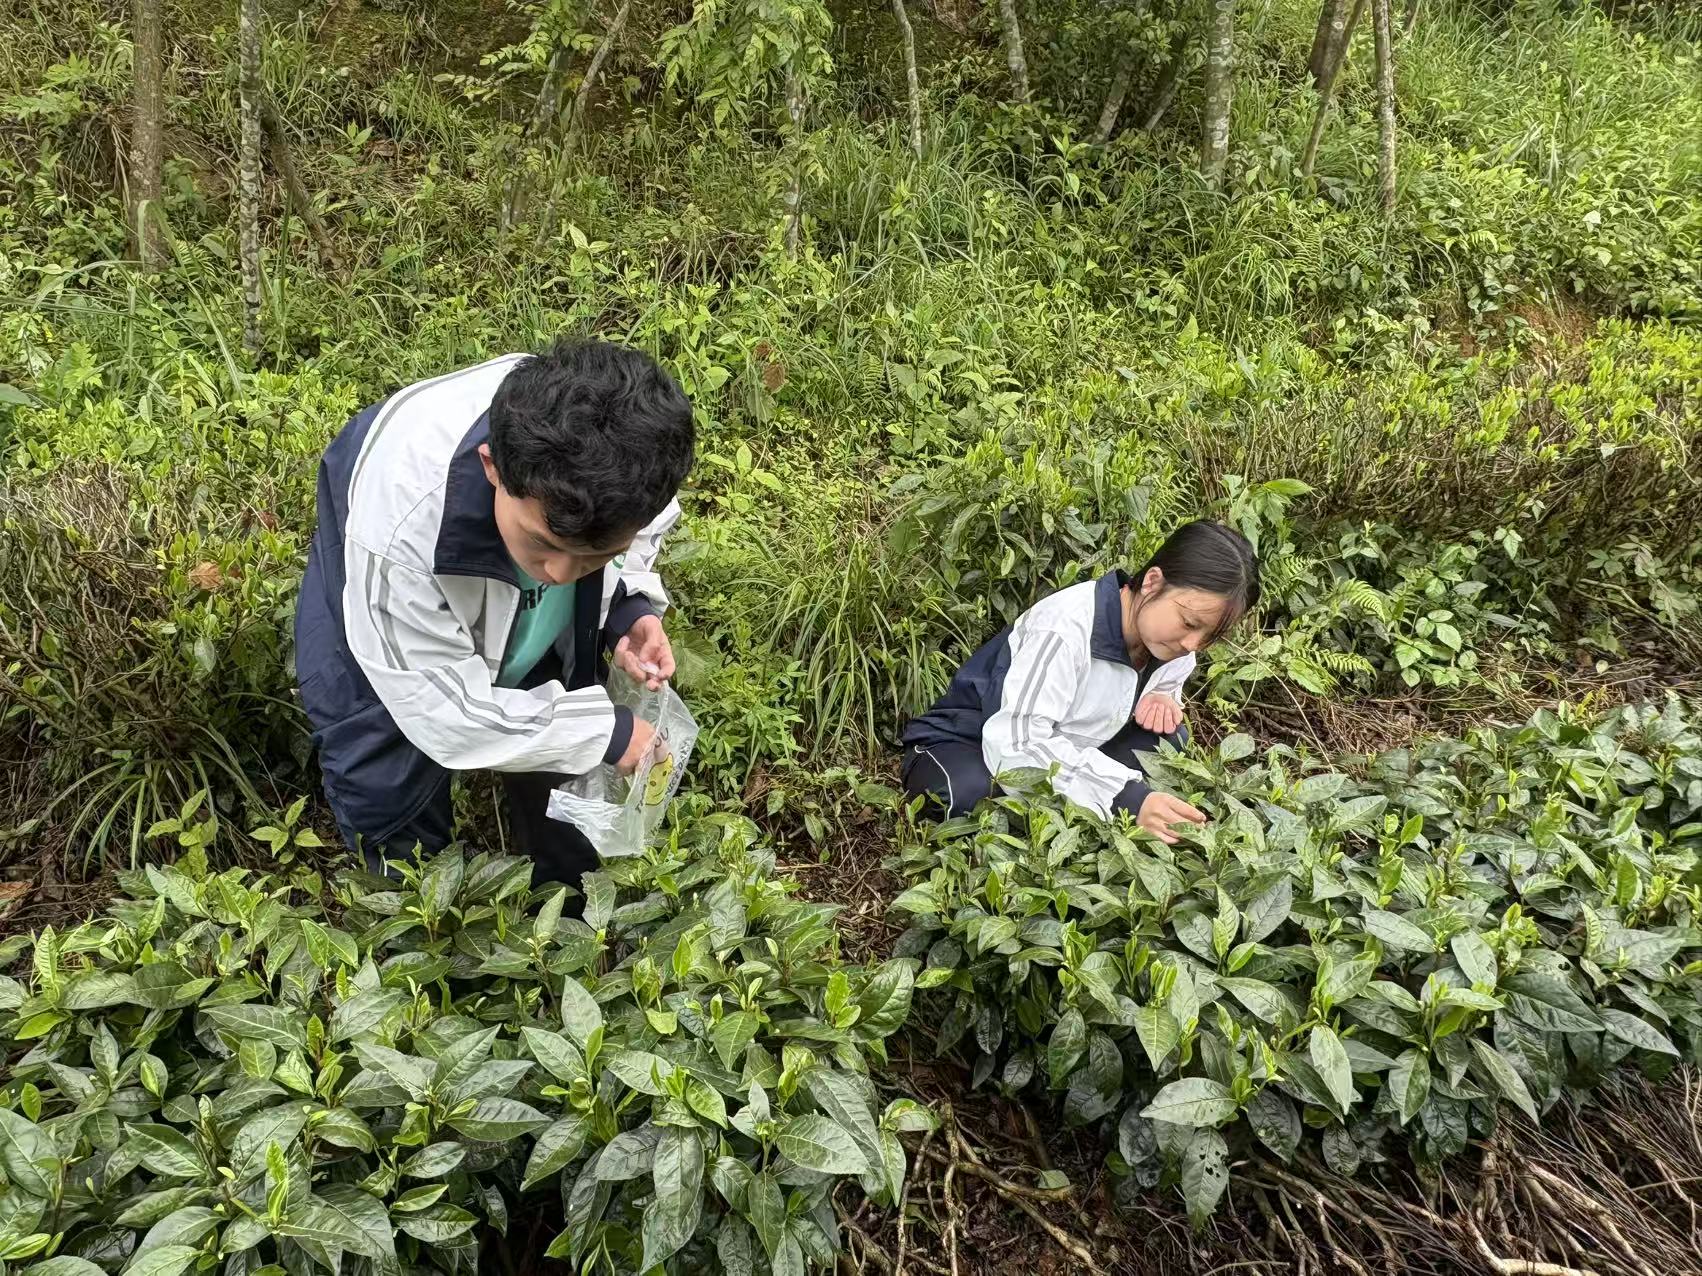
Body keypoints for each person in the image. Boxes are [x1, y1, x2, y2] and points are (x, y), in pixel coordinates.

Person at [293, 339, 695, 887]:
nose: (559, 575)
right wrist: (609, 731)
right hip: (393, 623)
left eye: (595, 555)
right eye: (542, 543)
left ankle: (567, 898)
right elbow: (439, 711)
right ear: (492, 467)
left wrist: (627, 606)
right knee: (389, 788)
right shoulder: (400, 523)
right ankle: (425, 917)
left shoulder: (636, 466)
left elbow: (639, 538)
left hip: (518, 566)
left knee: (562, 760)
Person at [900, 521, 1259, 844]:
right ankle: (1087, 806)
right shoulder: (1064, 629)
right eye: (1190, 623)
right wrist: (1127, 798)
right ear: (1152, 582)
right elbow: (1016, 742)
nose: (1193, 645)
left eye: (1210, 636)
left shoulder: (1169, 642)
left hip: (1075, 739)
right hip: (976, 740)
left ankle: (1078, 805)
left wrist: (1163, 695)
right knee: (965, 794)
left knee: (1168, 737)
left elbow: (1170, 679)